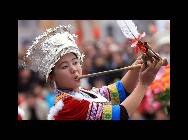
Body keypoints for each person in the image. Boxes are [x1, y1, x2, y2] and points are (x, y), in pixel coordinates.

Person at [24, 24, 163, 120]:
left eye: (75, 62)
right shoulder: (68, 105)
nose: (73, 68)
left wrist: (138, 65)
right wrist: (144, 84)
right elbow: (120, 115)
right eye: (65, 67)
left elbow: (120, 90)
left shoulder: (82, 94)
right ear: (52, 76)